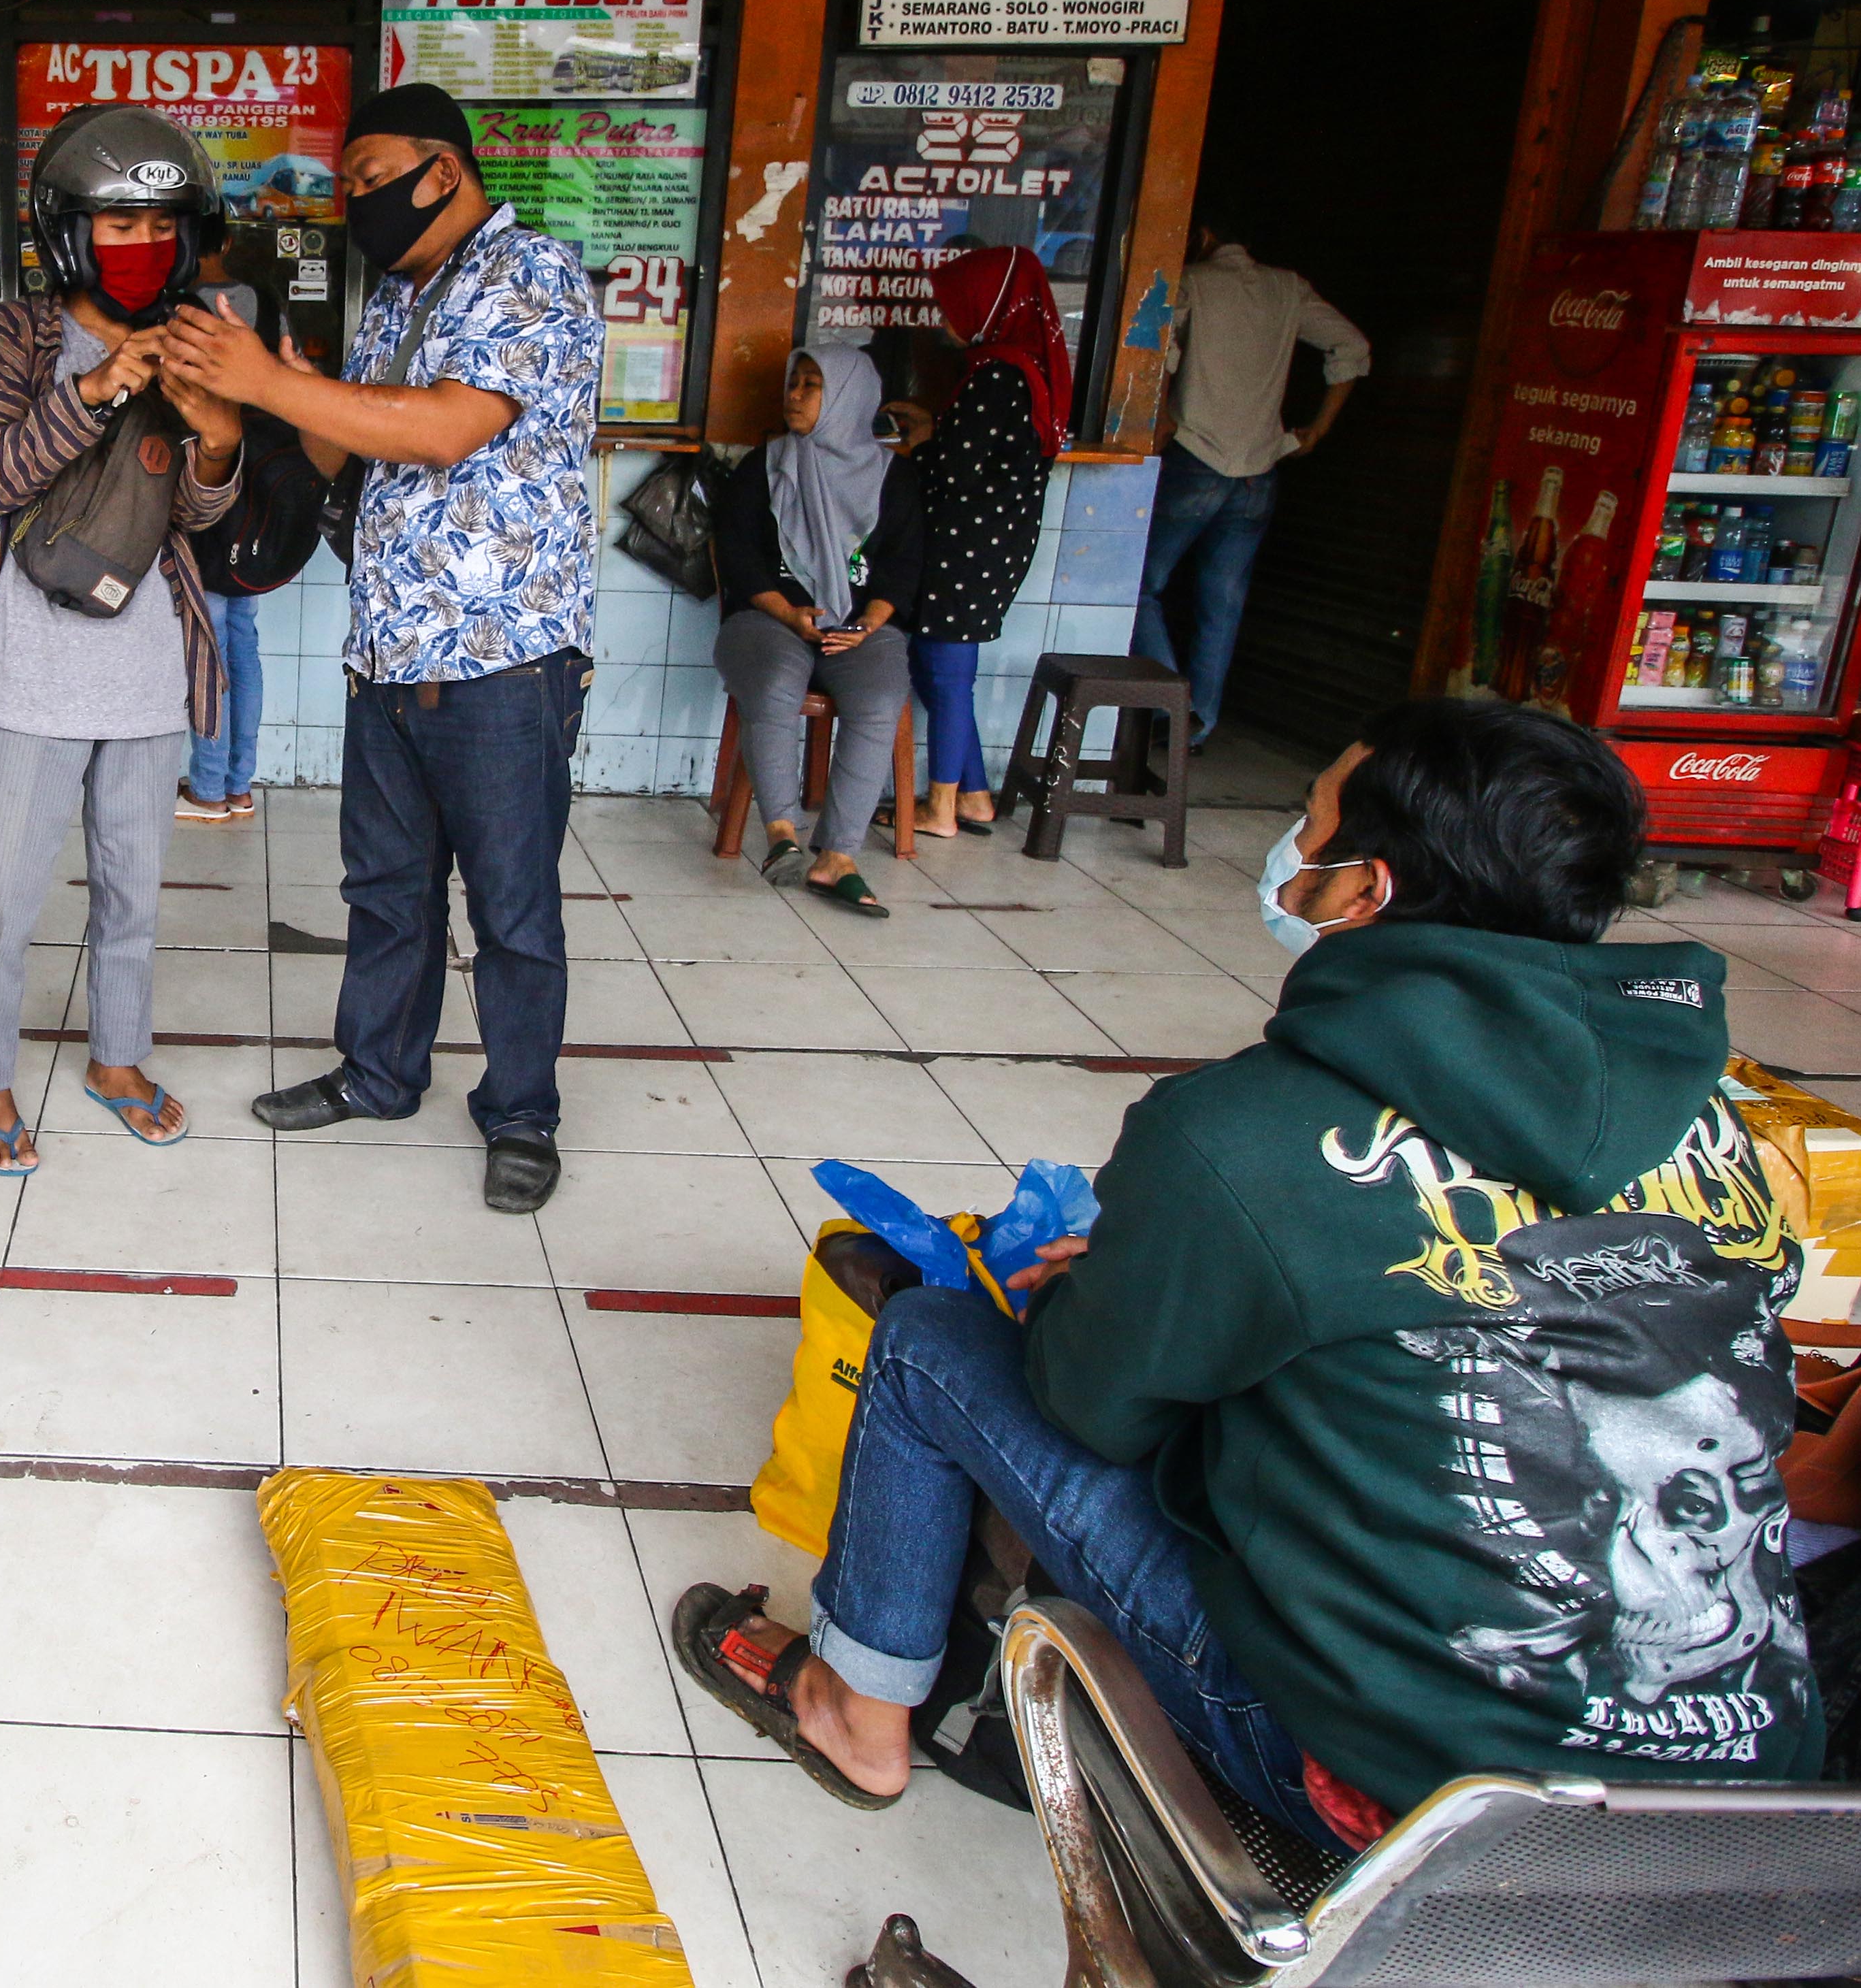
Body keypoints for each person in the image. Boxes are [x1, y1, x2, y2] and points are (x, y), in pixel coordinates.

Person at [676, 698, 1824, 1843]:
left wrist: (1110, 1286)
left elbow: (1092, 1402)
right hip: (1732, 1797)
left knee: (932, 1341)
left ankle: (851, 1714)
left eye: (1309, 823)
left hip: (1407, 1803)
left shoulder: (1242, 1134)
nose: (1289, 850)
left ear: (1363, 893)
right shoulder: (1717, 1123)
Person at [167, 80, 604, 1216]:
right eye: (347, 185)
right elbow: (344, 440)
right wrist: (238, 399)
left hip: (503, 658)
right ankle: (377, 1072)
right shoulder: (392, 299)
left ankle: (519, 1113)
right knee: (386, 891)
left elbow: (452, 424)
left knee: (510, 909)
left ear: (443, 171)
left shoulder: (531, 276)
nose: (355, 201)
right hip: (389, 653)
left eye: (369, 180)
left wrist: (270, 379)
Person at [0, 104, 244, 1175]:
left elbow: (195, 523)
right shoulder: (14, 336)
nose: (141, 245)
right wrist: (99, 386)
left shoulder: (200, 339)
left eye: (160, 223)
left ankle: (118, 1059)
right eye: (116, 224)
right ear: (66, 229)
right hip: (30, 673)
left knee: (132, 888)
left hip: (148, 672)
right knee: (4, 899)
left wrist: (218, 444)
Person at [1139, 210, 1371, 743]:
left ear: (1201, 237)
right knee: (1221, 602)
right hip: (1257, 474)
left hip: (1194, 458)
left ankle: (1167, 705)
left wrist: (1160, 421)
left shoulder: (1191, 283)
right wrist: (1316, 431)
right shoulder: (1287, 289)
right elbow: (1351, 347)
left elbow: (1157, 354)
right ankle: (1199, 724)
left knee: (1139, 586)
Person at [714, 346, 922, 917]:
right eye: (794, 383)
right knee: (778, 678)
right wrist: (787, 614)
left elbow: (904, 569)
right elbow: (738, 558)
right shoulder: (765, 466)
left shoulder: (893, 477)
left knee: (880, 696)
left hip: (859, 627)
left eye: (812, 385)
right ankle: (781, 832)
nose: (795, 395)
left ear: (849, 398)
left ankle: (837, 857)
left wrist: (865, 624)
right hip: (769, 618)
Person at [899, 246, 1069, 838]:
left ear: (986, 305)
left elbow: (954, 473)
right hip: (992, 543)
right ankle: (972, 796)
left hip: (964, 547)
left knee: (944, 673)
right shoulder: (1024, 367)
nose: (944, 313)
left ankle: (940, 807)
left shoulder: (996, 373)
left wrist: (922, 439)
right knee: (940, 670)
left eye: (954, 302)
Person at [178, 405, 321, 822]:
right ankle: (239, 786)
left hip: (216, 541)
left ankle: (208, 791)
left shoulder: (220, 384)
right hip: (253, 545)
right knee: (243, 649)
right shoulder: (270, 388)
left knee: (213, 656)